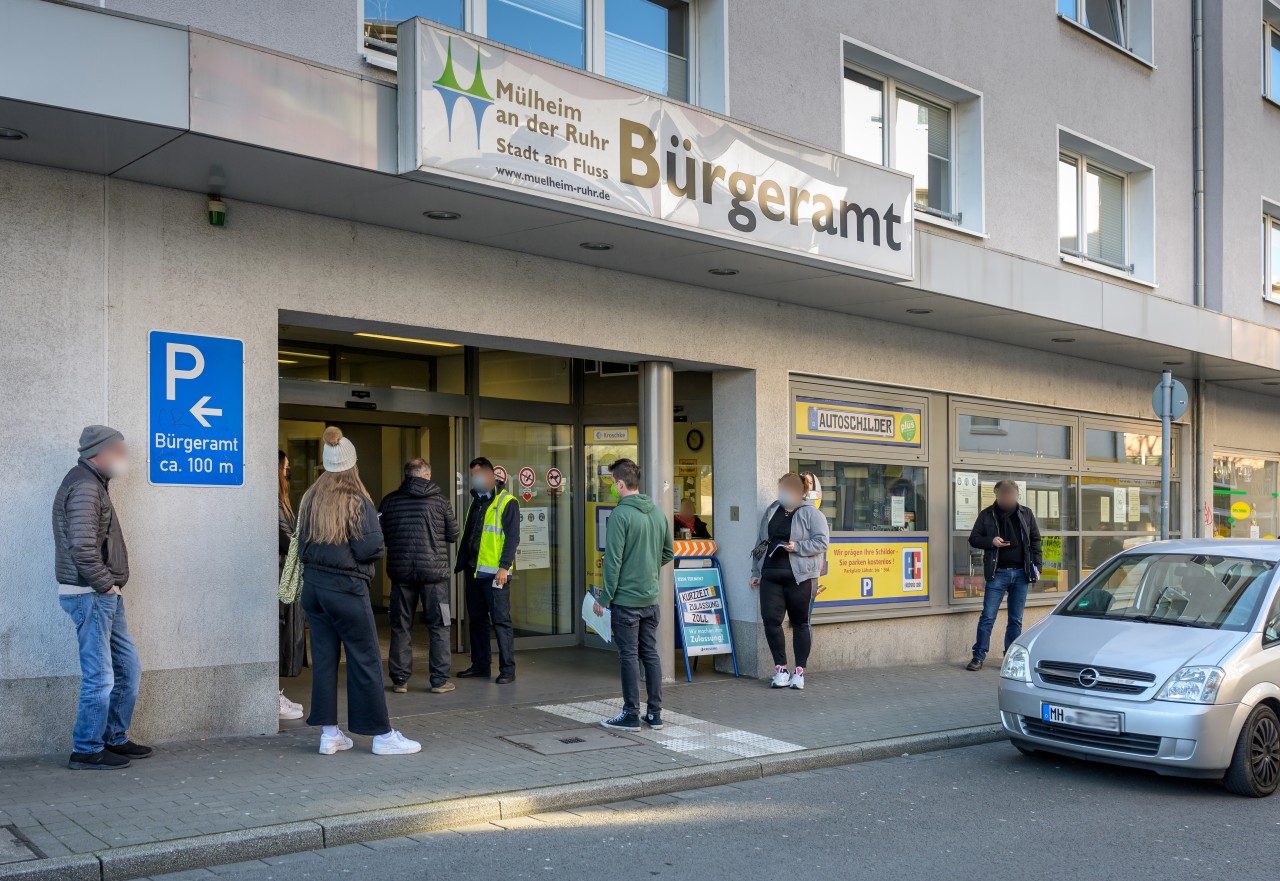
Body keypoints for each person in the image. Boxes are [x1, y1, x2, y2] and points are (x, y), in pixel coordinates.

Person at [296, 426, 420, 755]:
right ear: (352, 464)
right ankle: (381, 735)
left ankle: (329, 734)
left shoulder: (310, 498)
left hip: (314, 590)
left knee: (324, 660)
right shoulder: (357, 500)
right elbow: (370, 549)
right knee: (364, 659)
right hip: (346, 589)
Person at [53, 425, 151, 770]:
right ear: (101, 452)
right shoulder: (84, 486)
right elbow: (81, 546)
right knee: (101, 676)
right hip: (90, 594)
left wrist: (109, 588)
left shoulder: (93, 483)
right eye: (120, 452)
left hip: (101, 594)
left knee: (128, 668)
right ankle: (86, 749)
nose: (124, 460)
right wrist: (105, 584)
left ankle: (114, 737)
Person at [596, 459, 674, 731]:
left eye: (612, 483)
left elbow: (613, 561)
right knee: (650, 654)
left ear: (620, 483)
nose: (612, 488)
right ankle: (654, 714)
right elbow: (668, 553)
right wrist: (647, 568)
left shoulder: (620, 515)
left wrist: (605, 598)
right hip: (650, 600)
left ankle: (631, 714)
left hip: (626, 602)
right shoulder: (657, 513)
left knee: (628, 656)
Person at [380, 458, 459, 695]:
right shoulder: (441, 502)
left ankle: (400, 680)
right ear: (426, 475)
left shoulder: (390, 501)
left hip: (401, 573)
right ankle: (439, 680)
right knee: (440, 626)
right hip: (434, 576)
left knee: (400, 625)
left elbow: (380, 536)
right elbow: (454, 535)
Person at [749, 472, 830, 690]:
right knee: (770, 621)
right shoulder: (772, 510)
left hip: (800, 577)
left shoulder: (812, 514)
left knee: (800, 623)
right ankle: (781, 669)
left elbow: (822, 543)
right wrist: (755, 571)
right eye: (782, 489)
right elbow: (761, 542)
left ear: (801, 492)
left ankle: (799, 672)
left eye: (789, 490)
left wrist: (798, 547)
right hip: (771, 575)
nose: (784, 494)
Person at [455, 457, 520, 684]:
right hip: (474, 571)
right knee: (477, 620)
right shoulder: (476, 501)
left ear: (492, 476)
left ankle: (507, 670)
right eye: (473, 476)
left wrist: (504, 567)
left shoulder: (507, 502)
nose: (476, 479)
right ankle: (481, 666)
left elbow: (512, 538)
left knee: (501, 621)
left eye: (479, 475)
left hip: (495, 574)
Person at [965, 479, 1042, 671]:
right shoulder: (987, 515)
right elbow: (974, 539)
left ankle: (1011, 657)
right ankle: (978, 656)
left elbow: (1035, 540)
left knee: (1015, 619)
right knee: (988, 616)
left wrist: (1037, 566)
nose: (1008, 498)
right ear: (997, 495)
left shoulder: (1026, 513)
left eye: (1012, 495)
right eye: (1004, 495)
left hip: (1021, 574)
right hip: (997, 573)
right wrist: (992, 541)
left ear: (1016, 495)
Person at [277, 450, 305, 721]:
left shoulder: (281, 501)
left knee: (282, 632)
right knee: (278, 633)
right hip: (279, 577)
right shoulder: (274, 502)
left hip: (283, 574)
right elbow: (288, 541)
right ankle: (270, 696)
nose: (289, 471)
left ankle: (273, 694)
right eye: (286, 467)